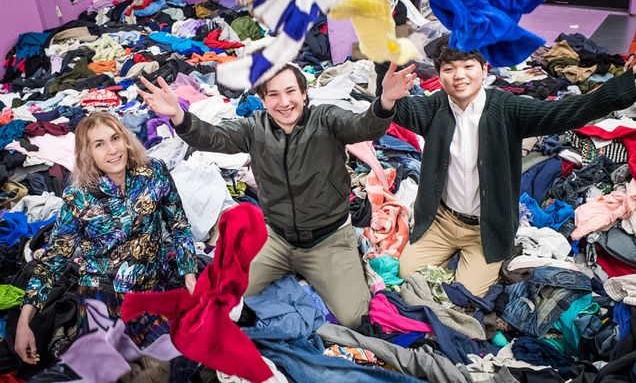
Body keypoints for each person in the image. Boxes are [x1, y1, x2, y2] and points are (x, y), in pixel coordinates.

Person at [138, 63, 414, 327]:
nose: (284, 102)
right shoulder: (254, 129)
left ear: (304, 94)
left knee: (357, 318)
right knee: (222, 298)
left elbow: (363, 126)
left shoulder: (327, 119)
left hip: (328, 241)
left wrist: (385, 101)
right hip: (276, 239)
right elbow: (211, 136)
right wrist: (178, 115)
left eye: (291, 91)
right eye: (274, 94)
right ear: (263, 100)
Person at [378, 39, 636, 297]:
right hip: (440, 222)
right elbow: (396, 109)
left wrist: (625, 85)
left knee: (467, 295)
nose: (459, 76)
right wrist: (386, 88)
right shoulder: (434, 108)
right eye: (448, 69)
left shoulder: (507, 108)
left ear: (484, 68)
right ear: (439, 75)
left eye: (468, 66)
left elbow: (565, 111)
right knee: (406, 278)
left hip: (486, 229)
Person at [15, 112, 197, 365]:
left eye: (115, 138)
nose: (112, 150)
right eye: (99, 144)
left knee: (181, 359)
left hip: (151, 289)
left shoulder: (154, 172)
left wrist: (189, 274)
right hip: (103, 297)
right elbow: (53, 261)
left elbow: (178, 225)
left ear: (126, 139)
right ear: (87, 153)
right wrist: (24, 322)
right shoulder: (77, 198)